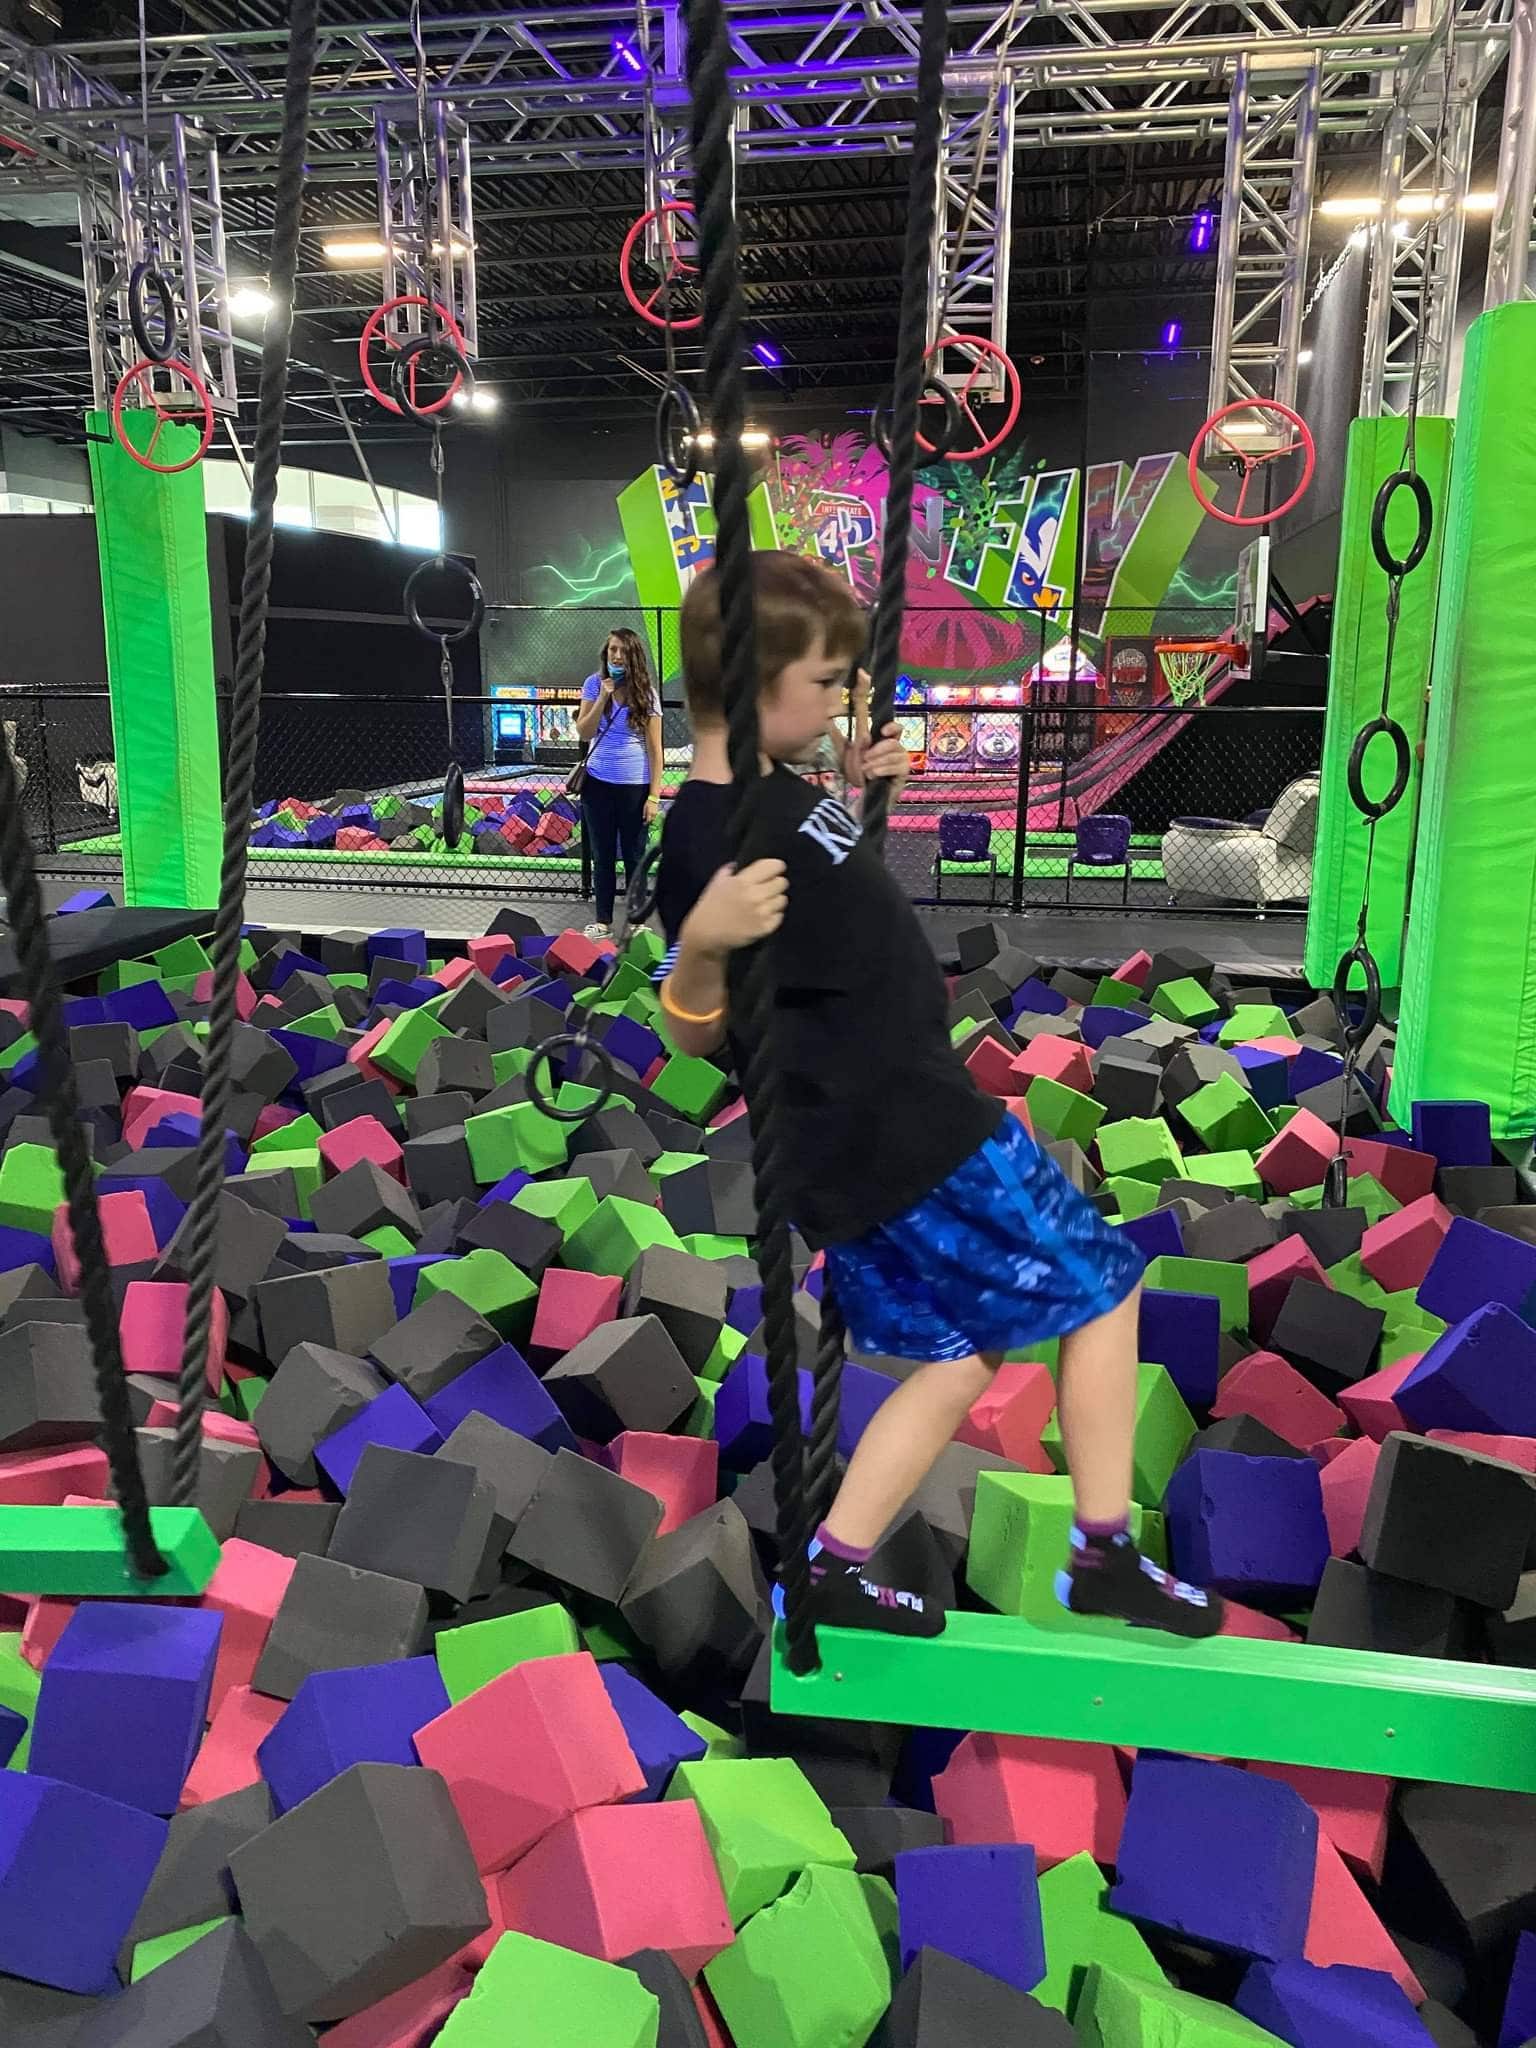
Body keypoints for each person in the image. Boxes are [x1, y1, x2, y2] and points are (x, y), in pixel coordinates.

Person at [654, 550, 1222, 1642]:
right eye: (821, 682)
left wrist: (869, 792)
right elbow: (692, 1031)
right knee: (1104, 1286)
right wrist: (697, 949)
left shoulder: (779, 791)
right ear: (749, 683)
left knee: (959, 1362)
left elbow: (828, 915)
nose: (838, 702)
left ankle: (833, 1566)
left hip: (876, 1133)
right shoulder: (705, 834)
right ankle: (1103, 1551)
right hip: (906, 1132)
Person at [574, 627, 664, 938]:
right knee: (602, 855)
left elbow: (655, 749)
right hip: (597, 785)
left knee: (635, 855)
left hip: (634, 788)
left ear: (633, 656)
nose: (616, 656)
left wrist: (654, 796)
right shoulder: (593, 684)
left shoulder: (646, 693)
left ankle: (637, 921)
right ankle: (603, 922)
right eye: (612, 650)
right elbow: (585, 733)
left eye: (623, 651)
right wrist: (603, 697)